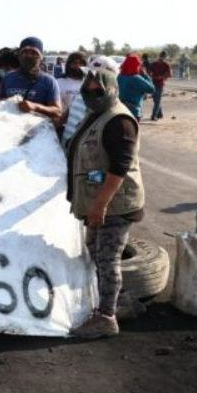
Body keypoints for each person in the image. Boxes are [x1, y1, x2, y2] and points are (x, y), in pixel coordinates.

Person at [67, 68, 145, 338]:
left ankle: (106, 318)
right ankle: (121, 302)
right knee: (95, 251)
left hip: (114, 204)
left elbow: (119, 168)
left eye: (97, 91)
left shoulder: (118, 120)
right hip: (97, 202)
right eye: (87, 91)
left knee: (107, 257)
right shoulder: (97, 115)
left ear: (111, 88)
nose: (91, 95)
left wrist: (100, 205)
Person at [0, 37, 62, 123]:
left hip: (39, 133)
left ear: (41, 57)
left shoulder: (49, 81)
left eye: (34, 53)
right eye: (25, 52)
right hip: (12, 129)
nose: (28, 55)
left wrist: (35, 107)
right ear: (19, 56)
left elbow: (58, 111)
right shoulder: (8, 78)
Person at [56, 52, 87, 137]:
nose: (78, 66)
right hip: (64, 127)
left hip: (84, 128)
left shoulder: (88, 82)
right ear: (68, 65)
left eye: (81, 63)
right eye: (74, 63)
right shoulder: (59, 82)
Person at [117, 54, 155, 120]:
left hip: (120, 108)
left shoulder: (120, 76)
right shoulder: (136, 78)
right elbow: (151, 89)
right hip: (133, 110)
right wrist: (145, 75)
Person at [149, 51, 172, 121]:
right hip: (153, 83)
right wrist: (153, 76)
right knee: (156, 100)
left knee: (157, 101)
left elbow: (170, 74)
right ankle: (160, 114)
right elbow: (149, 72)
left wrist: (161, 77)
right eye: (161, 57)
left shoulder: (166, 65)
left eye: (163, 57)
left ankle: (154, 116)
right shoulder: (154, 64)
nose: (161, 58)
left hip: (159, 84)